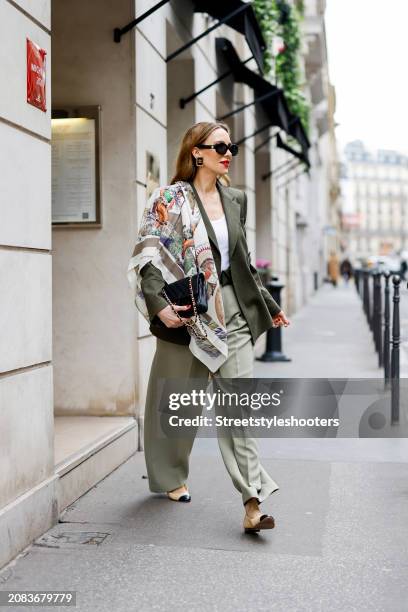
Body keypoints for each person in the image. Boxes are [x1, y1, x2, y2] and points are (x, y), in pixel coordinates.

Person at [127, 121, 290, 534]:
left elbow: (242, 260)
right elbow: (150, 255)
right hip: (189, 310)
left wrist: (268, 305)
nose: (227, 152)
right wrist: (159, 304)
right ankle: (168, 476)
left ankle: (253, 501)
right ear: (196, 152)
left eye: (230, 145)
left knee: (240, 409)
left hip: (231, 312)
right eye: (219, 145)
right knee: (177, 401)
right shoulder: (168, 198)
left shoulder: (235, 198)